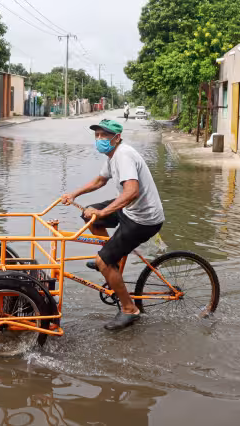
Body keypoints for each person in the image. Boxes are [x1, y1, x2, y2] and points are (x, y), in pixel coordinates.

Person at [62, 119, 165, 330]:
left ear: (116, 138)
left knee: (102, 258)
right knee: (88, 215)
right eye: (97, 135)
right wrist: (74, 194)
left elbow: (131, 191)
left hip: (143, 219)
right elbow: (100, 181)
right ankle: (110, 260)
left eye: (104, 135)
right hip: (129, 209)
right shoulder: (112, 156)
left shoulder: (124, 155)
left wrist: (102, 211)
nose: (99, 139)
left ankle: (129, 309)